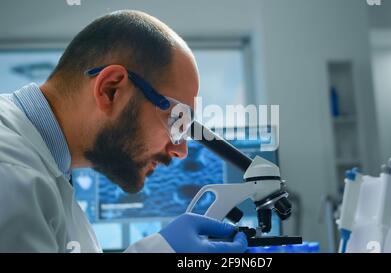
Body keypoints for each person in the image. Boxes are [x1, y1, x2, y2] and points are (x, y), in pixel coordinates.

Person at [0, 10, 247, 253]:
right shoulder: (12, 176)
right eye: (175, 120)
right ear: (111, 90)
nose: (181, 150)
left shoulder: (51, 167)